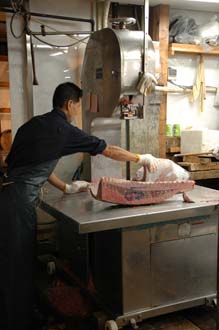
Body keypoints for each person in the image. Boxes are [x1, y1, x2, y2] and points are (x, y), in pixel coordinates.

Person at [0, 82, 158, 330]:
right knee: (16, 268)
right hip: (18, 205)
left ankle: (24, 315)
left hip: (8, 196)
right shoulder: (63, 130)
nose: (77, 111)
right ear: (69, 104)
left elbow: (36, 164)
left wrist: (65, 187)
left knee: (17, 263)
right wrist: (141, 158)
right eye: (77, 106)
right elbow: (109, 150)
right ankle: (17, 323)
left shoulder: (33, 125)